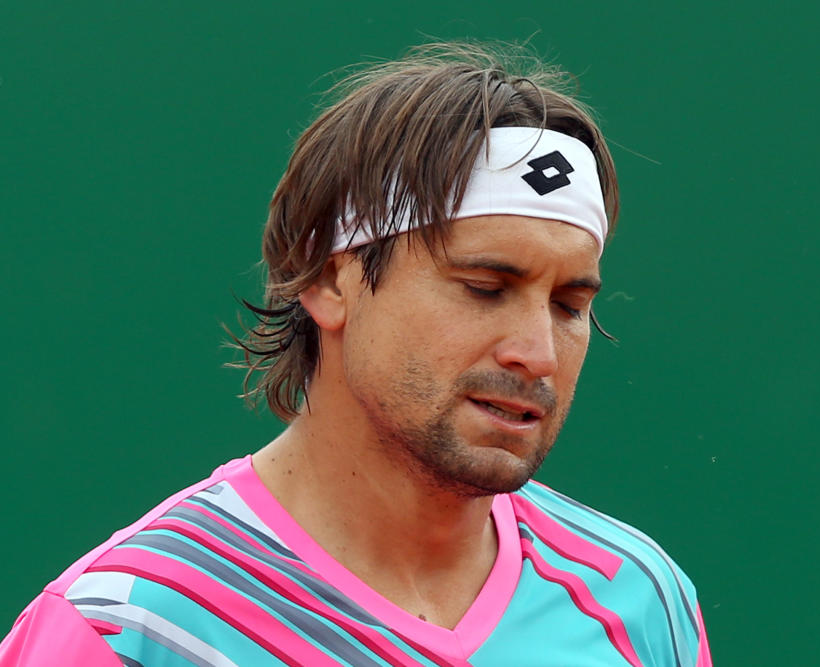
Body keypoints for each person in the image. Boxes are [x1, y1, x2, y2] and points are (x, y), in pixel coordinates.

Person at [1, 42, 712, 666]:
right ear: (327, 279)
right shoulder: (129, 629)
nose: (537, 353)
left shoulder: (639, 599)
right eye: (484, 286)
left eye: (569, 305)